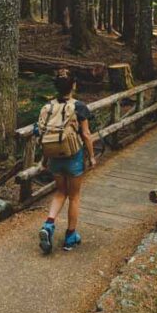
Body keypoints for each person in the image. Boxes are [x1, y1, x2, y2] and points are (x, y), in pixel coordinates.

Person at [37, 70, 97, 254]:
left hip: (54, 156)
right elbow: (86, 134)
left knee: (60, 192)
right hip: (73, 156)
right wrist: (92, 156)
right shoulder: (78, 106)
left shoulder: (48, 107)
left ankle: (48, 225)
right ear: (73, 85)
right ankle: (70, 236)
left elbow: (44, 134)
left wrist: (44, 160)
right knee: (74, 196)